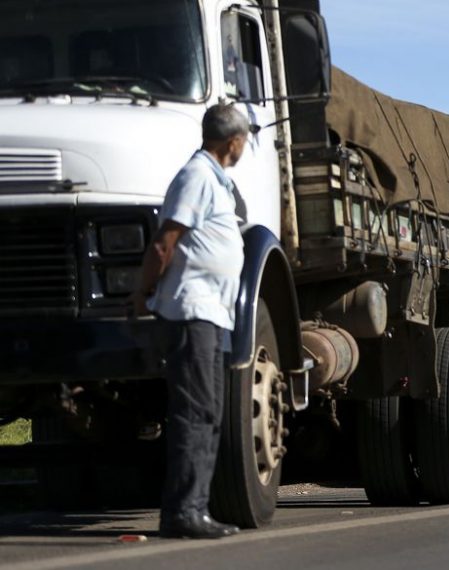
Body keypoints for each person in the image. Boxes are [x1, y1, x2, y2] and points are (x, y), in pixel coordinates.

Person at [129, 104, 249, 540]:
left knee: (208, 412)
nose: (245, 146)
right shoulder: (197, 176)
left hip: (211, 313)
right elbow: (165, 243)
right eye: (244, 139)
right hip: (191, 310)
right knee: (196, 412)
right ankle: (183, 512)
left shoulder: (214, 179)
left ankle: (194, 507)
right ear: (233, 141)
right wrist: (144, 293)